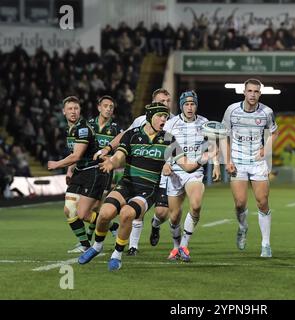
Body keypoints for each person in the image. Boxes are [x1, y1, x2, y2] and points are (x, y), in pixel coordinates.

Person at [78, 102, 210, 271]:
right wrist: (111, 163)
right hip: (127, 184)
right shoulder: (131, 135)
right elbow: (119, 156)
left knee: (127, 214)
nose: (164, 119)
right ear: (150, 117)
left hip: (148, 190)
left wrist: (203, 158)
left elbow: (188, 166)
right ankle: (97, 246)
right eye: (160, 116)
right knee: (104, 214)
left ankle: (117, 255)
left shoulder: (169, 139)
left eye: (166, 116)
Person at [95, 88, 172, 256]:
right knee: (131, 211)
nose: (165, 105)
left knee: (162, 213)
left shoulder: (174, 123)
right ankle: (133, 246)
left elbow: (178, 151)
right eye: (161, 102)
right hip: (139, 177)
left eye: (167, 102)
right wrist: (108, 149)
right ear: (152, 105)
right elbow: (125, 137)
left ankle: (156, 226)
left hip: (166, 176)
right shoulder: (140, 122)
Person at [222, 78, 278, 258]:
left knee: (262, 202)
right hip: (238, 161)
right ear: (244, 92)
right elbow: (224, 136)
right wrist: (227, 160)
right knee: (240, 203)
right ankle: (242, 227)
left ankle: (266, 244)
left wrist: (266, 149)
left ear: (260, 94)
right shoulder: (231, 110)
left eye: (256, 91)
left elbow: (274, 132)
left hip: (257, 162)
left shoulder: (267, 112)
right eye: (250, 91)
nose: (253, 94)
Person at [164, 90, 221, 261]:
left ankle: (183, 246)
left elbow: (212, 146)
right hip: (175, 171)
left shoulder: (205, 123)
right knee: (174, 216)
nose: (190, 107)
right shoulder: (171, 124)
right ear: (181, 106)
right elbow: (166, 146)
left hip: (195, 171)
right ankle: (175, 247)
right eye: (186, 104)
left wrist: (216, 165)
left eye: (192, 104)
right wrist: (166, 164)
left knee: (195, 206)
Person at [48, 96, 107, 253]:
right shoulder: (70, 129)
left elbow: (76, 156)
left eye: (76, 108)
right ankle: (86, 245)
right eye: (70, 109)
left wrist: (56, 164)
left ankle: (109, 224)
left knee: (82, 214)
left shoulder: (83, 129)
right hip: (80, 173)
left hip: (93, 172)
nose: (73, 112)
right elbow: (74, 155)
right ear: (64, 111)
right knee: (69, 210)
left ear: (80, 110)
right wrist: (69, 170)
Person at [86, 95, 123, 241]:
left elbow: (121, 151)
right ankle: (113, 227)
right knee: (86, 208)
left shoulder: (116, 129)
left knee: (95, 206)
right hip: (87, 170)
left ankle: (88, 240)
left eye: (111, 107)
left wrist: (111, 159)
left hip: (104, 171)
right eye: (105, 106)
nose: (108, 109)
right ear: (99, 107)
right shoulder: (88, 125)